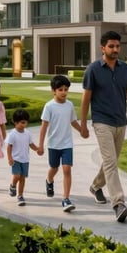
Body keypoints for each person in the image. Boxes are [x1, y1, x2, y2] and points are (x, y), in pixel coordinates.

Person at [80, 31, 127, 223]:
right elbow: (86, 98)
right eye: (111, 46)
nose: (115, 50)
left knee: (111, 161)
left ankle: (96, 186)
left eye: (117, 46)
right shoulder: (93, 69)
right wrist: (83, 123)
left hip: (120, 121)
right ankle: (118, 204)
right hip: (101, 121)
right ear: (102, 48)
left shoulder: (125, 69)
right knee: (111, 162)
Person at [37, 74, 86, 212]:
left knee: (66, 169)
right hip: (53, 144)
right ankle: (49, 180)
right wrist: (40, 145)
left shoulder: (69, 105)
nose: (64, 92)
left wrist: (82, 131)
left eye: (66, 89)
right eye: (60, 90)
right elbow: (43, 128)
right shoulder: (49, 106)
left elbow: (73, 122)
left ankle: (66, 199)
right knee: (54, 168)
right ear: (53, 90)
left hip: (67, 144)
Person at [4, 108, 39, 206]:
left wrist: (37, 149)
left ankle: (20, 195)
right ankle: (13, 185)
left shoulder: (27, 133)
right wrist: (10, 158)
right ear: (15, 122)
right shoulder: (12, 134)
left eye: (26, 122)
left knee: (23, 178)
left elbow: (31, 144)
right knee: (17, 176)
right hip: (16, 159)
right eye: (22, 122)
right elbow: (9, 146)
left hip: (25, 159)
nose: (24, 125)